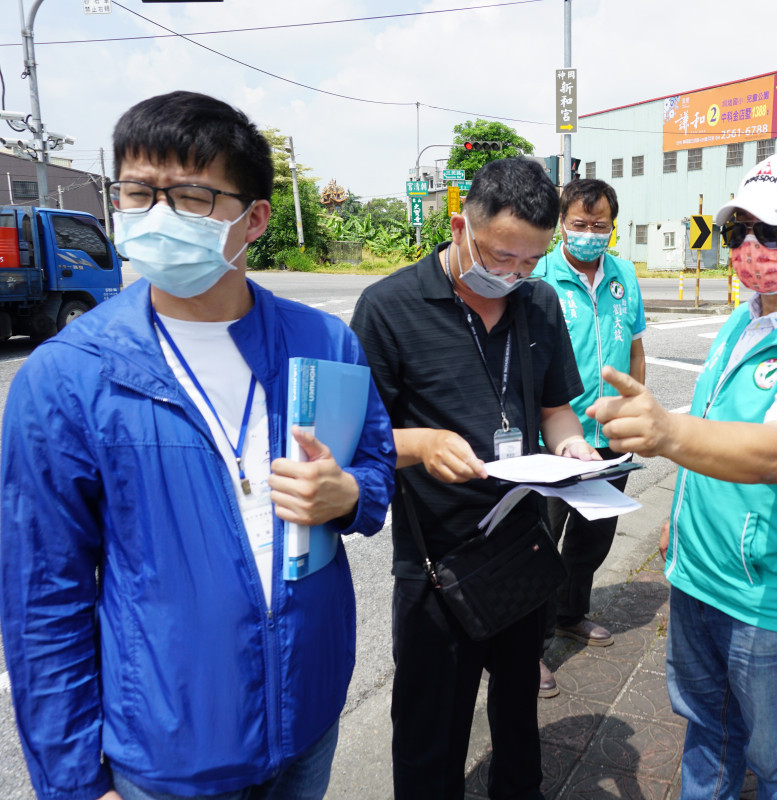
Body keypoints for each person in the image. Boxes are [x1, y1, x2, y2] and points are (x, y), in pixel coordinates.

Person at [0, 91, 396, 800]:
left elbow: (376, 470)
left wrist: (350, 496)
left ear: (254, 219)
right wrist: (74, 785)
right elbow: (42, 602)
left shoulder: (326, 343)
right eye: (137, 191)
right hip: (166, 755)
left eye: (190, 195)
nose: (157, 215)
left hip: (307, 720)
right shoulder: (66, 378)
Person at [588, 154, 777, 799]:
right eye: (738, 232)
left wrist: (665, 433)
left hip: (769, 597)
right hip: (699, 577)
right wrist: (680, 519)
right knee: (704, 733)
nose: (751, 249)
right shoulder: (746, 318)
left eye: (772, 233)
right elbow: (713, 430)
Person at [349, 157, 599, 800]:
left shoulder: (538, 302)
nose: (513, 274)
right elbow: (355, 438)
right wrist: (423, 444)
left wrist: (572, 447)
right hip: (437, 559)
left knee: (518, 713)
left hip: (521, 544)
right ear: (460, 226)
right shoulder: (389, 307)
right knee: (431, 731)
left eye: (530, 261)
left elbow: (554, 409)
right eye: (500, 256)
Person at [531, 178, 646, 697]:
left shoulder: (624, 275)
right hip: (556, 436)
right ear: (561, 225)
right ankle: (525, 649)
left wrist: (638, 406)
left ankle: (570, 614)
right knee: (538, 544)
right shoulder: (539, 276)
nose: (589, 235)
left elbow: (635, 346)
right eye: (579, 225)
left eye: (600, 226)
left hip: (613, 434)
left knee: (592, 537)